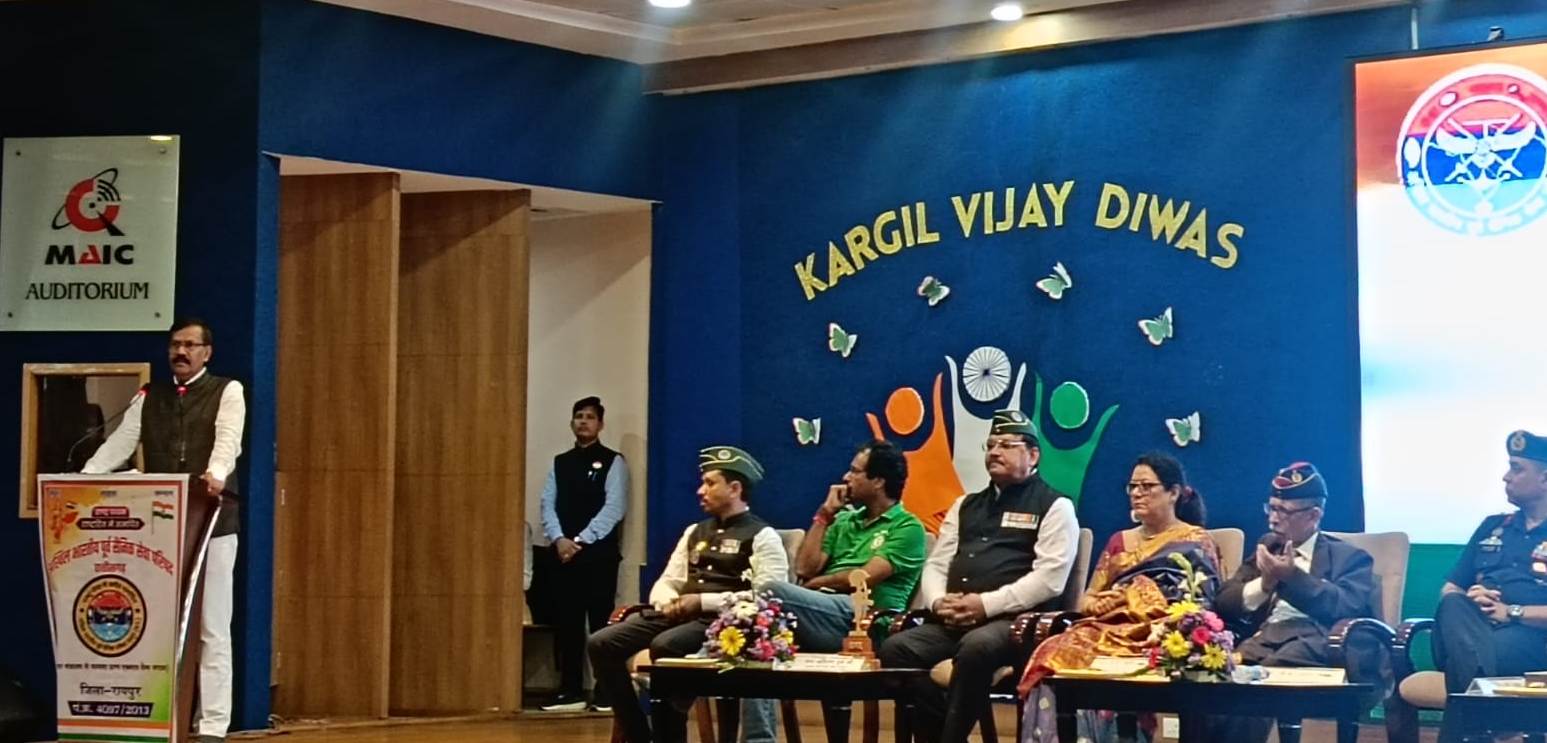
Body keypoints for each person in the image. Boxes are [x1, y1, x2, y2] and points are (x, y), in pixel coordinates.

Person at [83, 318, 244, 743]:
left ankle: (212, 725)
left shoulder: (227, 391)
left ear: (207, 352)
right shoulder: (149, 395)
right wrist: (84, 479)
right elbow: (121, 443)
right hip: (160, 528)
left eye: (190, 345)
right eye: (176, 344)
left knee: (212, 626)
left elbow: (228, 440)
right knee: (157, 627)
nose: (181, 352)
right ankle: (158, 717)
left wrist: (216, 473)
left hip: (213, 523)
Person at [877, 409, 1079, 743]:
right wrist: (939, 602)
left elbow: (1050, 579)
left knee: (977, 647)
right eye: (991, 445)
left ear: (1033, 455)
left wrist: (984, 605)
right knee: (896, 649)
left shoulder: (1055, 506)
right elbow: (937, 564)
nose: (995, 452)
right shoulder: (965, 505)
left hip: (1014, 626)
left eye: (1007, 445)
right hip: (954, 620)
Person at [587, 446, 788, 743]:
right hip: (677, 614)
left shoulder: (762, 536)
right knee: (601, 643)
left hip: (721, 622)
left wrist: (703, 602)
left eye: (710, 483)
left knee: (666, 645)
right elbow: (670, 579)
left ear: (734, 489)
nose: (700, 491)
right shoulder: (695, 531)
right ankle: (639, 733)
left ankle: (671, 736)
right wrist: (667, 601)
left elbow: (770, 599)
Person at [1019, 452, 1218, 743]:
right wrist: (1101, 604)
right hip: (1109, 627)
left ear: (1173, 492)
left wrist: (1141, 599)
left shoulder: (1196, 541)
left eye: (1146, 486)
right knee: (1051, 652)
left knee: (1115, 663)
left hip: (1158, 632)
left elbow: (1202, 603)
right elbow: (1087, 599)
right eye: (1132, 486)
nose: (1136, 493)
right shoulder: (1119, 541)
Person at [1209, 461, 1378, 743]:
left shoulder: (1349, 557)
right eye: (1271, 508)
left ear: (1313, 515)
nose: (1273, 520)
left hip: (1317, 643)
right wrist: (1264, 584)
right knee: (1214, 683)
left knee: (1261, 682)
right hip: (1262, 643)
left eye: (1283, 512)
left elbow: (1345, 605)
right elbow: (1224, 602)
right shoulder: (1268, 547)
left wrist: (1291, 577)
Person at [759, 439, 927, 651]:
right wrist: (824, 515)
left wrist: (815, 583)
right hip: (825, 608)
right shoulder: (844, 519)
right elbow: (804, 569)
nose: (846, 478)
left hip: (865, 617)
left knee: (772, 591)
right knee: (746, 611)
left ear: (878, 481)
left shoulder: (907, 527)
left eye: (855, 472)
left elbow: (863, 578)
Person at [1433, 430, 1547, 695]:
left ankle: (1472, 706)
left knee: (1468, 656)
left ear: (1544, 478)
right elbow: (1451, 588)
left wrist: (1512, 612)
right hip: (1473, 629)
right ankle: (1481, 703)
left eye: (1516, 469)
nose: (1506, 477)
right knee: (1453, 604)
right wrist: (1474, 597)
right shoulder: (1493, 526)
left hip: (1533, 637)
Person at [538, 396, 629, 712]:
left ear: (600, 424)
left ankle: (606, 692)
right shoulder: (560, 462)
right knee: (568, 625)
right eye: (579, 416)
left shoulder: (613, 461)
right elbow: (547, 504)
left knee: (602, 626)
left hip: (598, 556)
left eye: (590, 417)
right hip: (563, 556)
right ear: (571, 422)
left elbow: (614, 507)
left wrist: (580, 540)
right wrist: (559, 539)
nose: (583, 422)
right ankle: (571, 691)